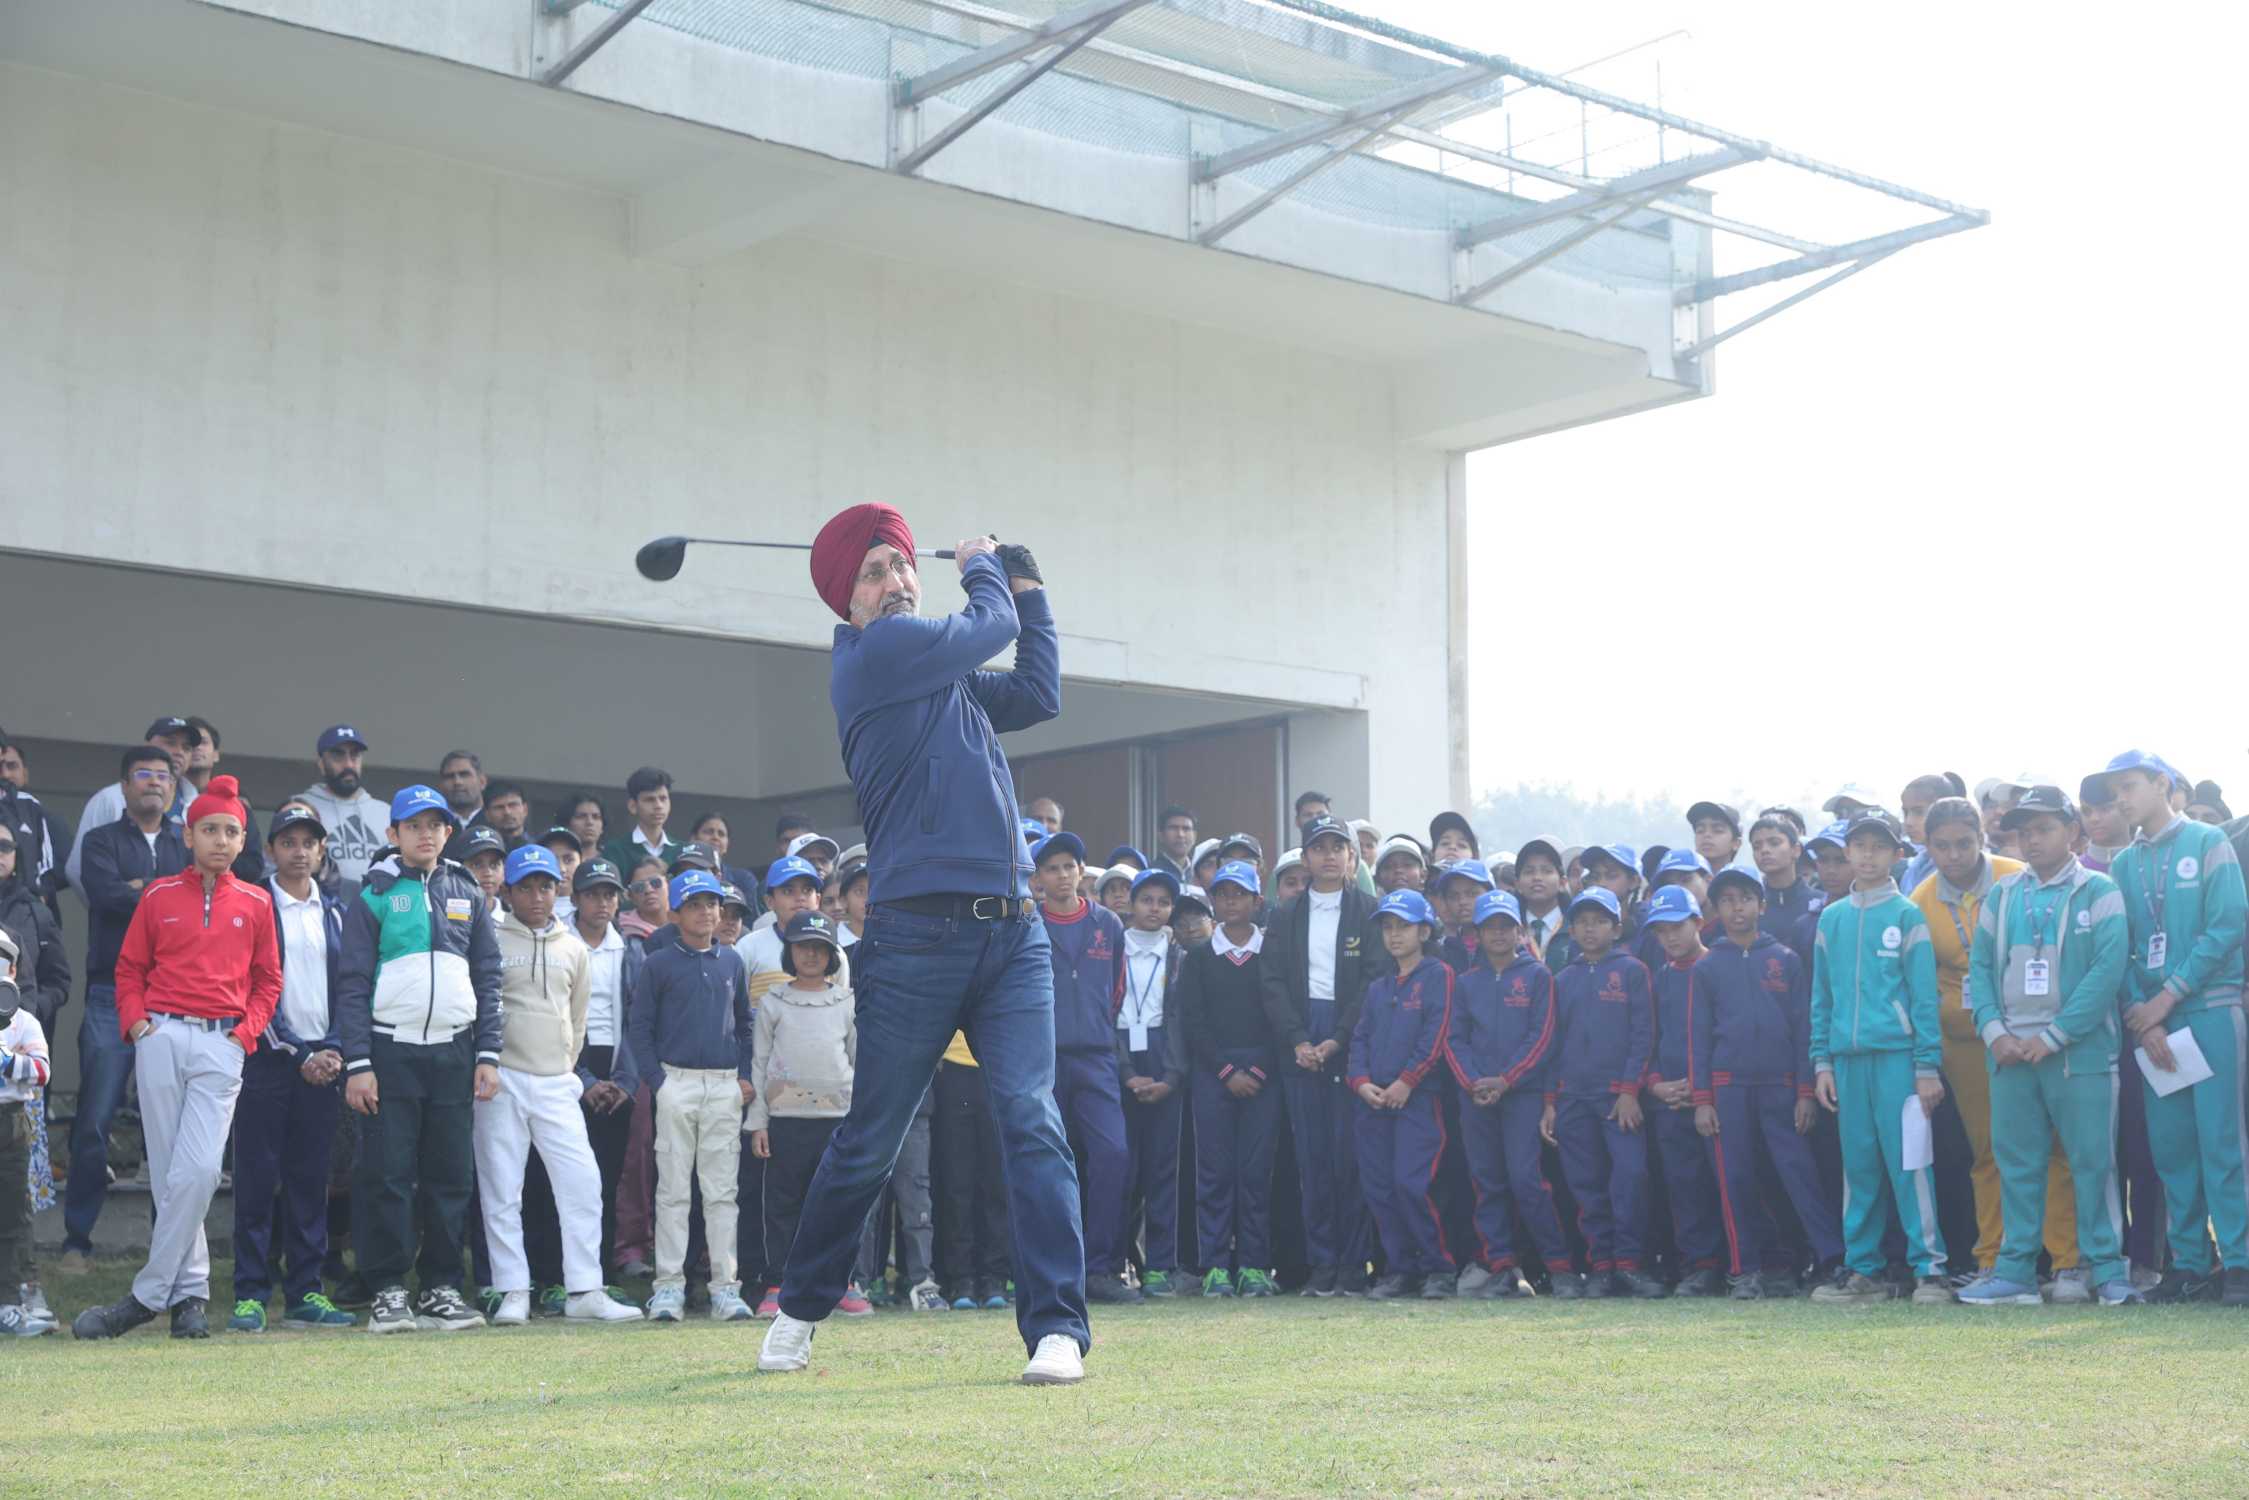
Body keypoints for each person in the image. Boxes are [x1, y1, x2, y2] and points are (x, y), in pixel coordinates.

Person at [762, 508, 1083, 1386]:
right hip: (913, 940)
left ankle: (1057, 1330)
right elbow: (988, 626)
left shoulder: (945, 678)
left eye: (903, 566)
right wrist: (984, 569)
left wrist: (1029, 588)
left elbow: (1038, 691)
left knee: (1031, 1119)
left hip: (1011, 932)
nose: (896, 582)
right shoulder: (876, 656)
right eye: (874, 572)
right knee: (870, 1138)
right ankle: (800, 1308)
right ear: (850, 604)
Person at [74, 777, 280, 1341]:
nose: (220, 840)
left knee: (200, 1170)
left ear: (242, 841)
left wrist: (244, 1035)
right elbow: (129, 968)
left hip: (222, 1042)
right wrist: (139, 1026)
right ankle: (190, 1296)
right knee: (170, 1175)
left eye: (231, 831)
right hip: (161, 1035)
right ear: (188, 835)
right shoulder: (158, 895)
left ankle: (146, 1296)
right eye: (209, 829)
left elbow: (269, 980)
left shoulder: (257, 902)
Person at [1957, 787, 2135, 1307]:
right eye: (2024, 831)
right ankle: (2015, 1272)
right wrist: (1996, 1033)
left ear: (2072, 831)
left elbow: (2107, 971)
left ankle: (2107, 1272)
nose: (2032, 839)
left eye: (2044, 828)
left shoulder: (2099, 890)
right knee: (2016, 1163)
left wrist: (2055, 1035)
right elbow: (1980, 968)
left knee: (2092, 1162)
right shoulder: (2004, 894)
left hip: (2079, 1053)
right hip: (2010, 1053)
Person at [338, 785, 502, 1335]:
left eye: (435, 825)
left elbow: (488, 977)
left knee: (450, 1175)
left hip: (456, 1050)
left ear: (448, 832)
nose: (425, 834)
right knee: (386, 1174)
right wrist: (358, 1062)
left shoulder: (467, 892)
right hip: (390, 1049)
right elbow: (353, 983)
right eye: (413, 825)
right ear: (394, 834)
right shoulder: (374, 894)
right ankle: (387, 1289)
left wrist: (488, 1053)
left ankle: (441, 1288)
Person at [1909, 797, 2080, 1291]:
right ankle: (1994, 1259)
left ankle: (2065, 1260)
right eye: (1942, 846)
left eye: (1964, 843)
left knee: (2051, 1144)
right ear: (1927, 846)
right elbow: (1921, 983)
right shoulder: (1920, 900)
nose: (1954, 855)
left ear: (1981, 838)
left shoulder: (2014, 878)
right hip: (1965, 1043)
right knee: (1989, 1150)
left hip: (2029, 1033)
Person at [2100, 750, 2249, 1304]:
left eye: (2129, 786)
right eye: (2114, 791)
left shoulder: (2208, 843)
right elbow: (2118, 949)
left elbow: (2227, 925)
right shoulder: (2122, 865)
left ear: (2162, 783)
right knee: (2172, 1148)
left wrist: (2167, 997)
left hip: (2210, 1009)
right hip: (2154, 1026)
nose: (2120, 800)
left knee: (2222, 1141)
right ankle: (2188, 1265)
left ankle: (2239, 1262)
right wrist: (2145, 1019)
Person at [476, 846, 641, 1326]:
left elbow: (578, 1017)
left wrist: (564, 1066)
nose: (536, 897)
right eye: (526, 887)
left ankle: (585, 1289)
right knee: (503, 1188)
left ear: (558, 890)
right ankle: (512, 1290)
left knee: (583, 1184)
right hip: (502, 1078)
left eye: (545, 887)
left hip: (556, 1081)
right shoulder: (490, 938)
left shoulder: (573, 947)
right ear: (509, 891)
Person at [1808, 809, 1951, 1306]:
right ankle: (1862, 1269)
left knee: (1911, 1164)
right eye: (1859, 846)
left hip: (1898, 1060)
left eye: (1878, 847)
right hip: (1847, 1064)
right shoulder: (1831, 919)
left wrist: (1927, 1065)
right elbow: (1821, 998)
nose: (1867, 856)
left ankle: (1930, 1269)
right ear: (1847, 852)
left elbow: (1924, 997)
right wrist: (1822, 1062)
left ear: (1896, 854)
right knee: (1860, 1168)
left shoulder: (1907, 915)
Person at [58, 746, 189, 1273]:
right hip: (110, 993)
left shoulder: (187, 842)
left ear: (174, 788)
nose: (155, 782)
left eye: (164, 776)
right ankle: (76, 1242)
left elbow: (196, 904)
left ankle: (168, 1246)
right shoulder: (100, 840)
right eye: (144, 774)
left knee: (170, 1126)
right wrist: (165, 897)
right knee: (95, 1117)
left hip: (174, 997)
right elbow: (107, 897)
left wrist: (140, 890)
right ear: (124, 786)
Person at [226, 806, 355, 1333]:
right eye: (288, 842)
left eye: (309, 842)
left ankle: (305, 1291)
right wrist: (299, 1053)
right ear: (271, 850)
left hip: (324, 1063)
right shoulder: (254, 905)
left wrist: (335, 1049)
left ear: (321, 850)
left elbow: (351, 986)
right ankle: (250, 1293)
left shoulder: (337, 910)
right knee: (256, 1180)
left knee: (309, 1181)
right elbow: (249, 989)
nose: (299, 852)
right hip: (267, 1062)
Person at [1690, 868, 1843, 1298]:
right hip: (1727, 1088)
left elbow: (1802, 1029)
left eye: (1744, 899)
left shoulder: (1785, 958)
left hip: (1781, 1086)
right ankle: (1745, 1270)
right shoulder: (1707, 966)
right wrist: (1702, 1099)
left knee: (1799, 1174)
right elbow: (1698, 1037)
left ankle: (1830, 1260)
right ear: (1716, 910)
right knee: (1734, 1178)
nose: (1736, 908)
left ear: (1760, 905)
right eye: (1726, 900)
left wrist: (1805, 1092)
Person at [1259, 815, 1377, 1297]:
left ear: (1351, 857)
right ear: (1305, 857)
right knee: (1312, 1161)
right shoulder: (1284, 914)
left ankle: (1353, 1265)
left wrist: (1339, 1038)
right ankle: (1322, 1264)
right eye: (1319, 847)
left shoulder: (1369, 910)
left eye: (1337, 847)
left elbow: (1373, 979)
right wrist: (1297, 1040)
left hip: (1350, 1037)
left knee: (1349, 1158)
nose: (1329, 855)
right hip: (1300, 1036)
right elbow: (1271, 982)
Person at [630, 869, 754, 1323]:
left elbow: (745, 1024)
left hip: (723, 1085)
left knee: (722, 1193)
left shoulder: (732, 961)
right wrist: (658, 1081)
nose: (706, 912)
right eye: (695, 905)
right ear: (676, 914)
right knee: (672, 1192)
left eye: (712, 904)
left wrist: (744, 1075)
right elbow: (640, 1028)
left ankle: (726, 1289)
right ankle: (668, 1288)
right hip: (675, 1081)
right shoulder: (658, 963)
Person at [1031, 832, 1135, 1305]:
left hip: (1096, 1057)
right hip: (1044, 1060)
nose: (1061, 876)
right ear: (1038, 877)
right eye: (1051, 868)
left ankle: (1102, 1268)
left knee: (1113, 1154)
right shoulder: (1029, 922)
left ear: (1081, 871)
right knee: (1050, 1161)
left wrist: (1092, 1026)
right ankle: (1052, 1270)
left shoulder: (1107, 923)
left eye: (1069, 866)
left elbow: (1117, 990)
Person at [1539, 886, 1658, 1299]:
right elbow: (1551, 1044)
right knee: (1585, 1184)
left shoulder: (1633, 971)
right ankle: (1601, 1267)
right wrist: (1550, 1102)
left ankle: (1630, 1263)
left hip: (1617, 1098)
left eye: (1600, 921)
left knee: (1630, 1177)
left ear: (1616, 927)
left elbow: (1643, 1034)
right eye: (1583, 922)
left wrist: (1630, 1090)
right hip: (1572, 1097)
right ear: (1571, 929)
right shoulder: (1562, 979)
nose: (1591, 929)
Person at [1445, 891, 1565, 1300]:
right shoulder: (1466, 982)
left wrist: (1506, 1080)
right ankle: (1500, 1265)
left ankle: (1558, 1265)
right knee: (1487, 1181)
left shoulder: (1538, 976)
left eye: (1506, 926)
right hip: (1476, 1097)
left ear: (1520, 930)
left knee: (1526, 1179)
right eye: (1490, 927)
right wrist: (1474, 1082)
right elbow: (1454, 1039)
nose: (1498, 934)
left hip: (1522, 1095)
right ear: (1476, 934)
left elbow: (1543, 1037)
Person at [749, 910, 861, 1319]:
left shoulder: (846, 1002)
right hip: (785, 1120)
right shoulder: (773, 1002)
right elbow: (759, 1063)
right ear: (789, 952)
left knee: (837, 1205)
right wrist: (758, 1122)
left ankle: (841, 1283)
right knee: (783, 1206)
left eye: (819, 948)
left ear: (832, 955)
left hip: (837, 1120)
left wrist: (858, 1121)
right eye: (802, 947)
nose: (810, 955)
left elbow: (858, 1062)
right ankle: (779, 1283)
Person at [1177, 861, 1280, 1299]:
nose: (1231, 901)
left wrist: (1257, 1070)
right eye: (1223, 894)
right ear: (1213, 901)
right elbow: (1194, 1021)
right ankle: (1215, 1265)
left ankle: (1254, 1265)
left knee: (1256, 1172)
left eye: (1240, 894)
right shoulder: (1200, 958)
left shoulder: (1273, 952)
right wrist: (1226, 1072)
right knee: (1214, 1172)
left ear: (1257, 901)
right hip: (1213, 1074)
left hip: (1263, 1074)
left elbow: (1281, 1017)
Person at [1349, 889, 1455, 1300]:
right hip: (1374, 1102)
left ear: (1424, 931)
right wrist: (1360, 1082)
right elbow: (1360, 1038)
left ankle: (1438, 1267)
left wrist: (1408, 1080)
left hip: (1419, 1099)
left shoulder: (1438, 975)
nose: (1394, 935)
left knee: (1412, 1184)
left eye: (1404, 927)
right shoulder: (1378, 986)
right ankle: (1399, 1269)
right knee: (1379, 1188)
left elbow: (1436, 1034)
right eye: (1388, 927)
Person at [1640, 886, 1724, 1296]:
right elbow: (1646, 1039)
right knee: (1683, 1185)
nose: (1670, 937)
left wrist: (1704, 1086)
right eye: (1661, 930)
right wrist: (1655, 1085)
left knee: (1730, 1181)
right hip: (1670, 1101)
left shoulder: (1720, 968)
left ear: (1698, 923)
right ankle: (1699, 1265)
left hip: (1718, 1097)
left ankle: (1745, 1261)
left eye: (1677, 926)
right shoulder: (1658, 978)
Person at [564, 858, 639, 1279]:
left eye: (609, 894)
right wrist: (585, 1080)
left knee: (608, 1178)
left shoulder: (630, 949)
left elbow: (638, 1020)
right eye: (593, 894)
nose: (602, 903)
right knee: (565, 1177)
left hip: (617, 1069)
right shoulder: (559, 943)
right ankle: (558, 1272)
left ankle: (601, 1273)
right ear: (576, 899)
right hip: (569, 1066)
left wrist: (625, 1082)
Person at [1118, 867, 1187, 1300]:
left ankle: (1160, 1266)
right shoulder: (1113, 949)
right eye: (1146, 900)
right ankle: (1119, 1261)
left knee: (1163, 1170)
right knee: (1121, 1169)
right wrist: (1125, 1072)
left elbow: (1185, 1021)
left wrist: (1171, 1076)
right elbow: (1104, 1013)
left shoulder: (1180, 956)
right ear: (1131, 903)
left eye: (1163, 902)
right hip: (1122, 1055)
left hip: (1166, 1059)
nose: (1154, 909)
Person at [63, 716, 198, 891]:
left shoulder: (198, 804)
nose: (179, 751)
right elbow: (79, 872)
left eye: (186, 748)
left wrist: (144, 884)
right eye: (170, 743)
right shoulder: (109, 799)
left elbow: (196, 888)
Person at [0, 932, 56, 1337]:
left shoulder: (24, 1021)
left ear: (14, 969)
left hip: (11, 1124)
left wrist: (7, 1063)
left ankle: (8, 1302)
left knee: (12, 1216)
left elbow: (41, 1071)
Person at [293, 724, 388, 895]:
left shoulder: (385, 813)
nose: (349, 764)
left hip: (377, 907)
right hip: (320, 906)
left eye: (355, 755)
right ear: (321, 764)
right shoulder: (300, 808)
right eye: (338, 755)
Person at [1747, 814, 1821, 947]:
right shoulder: (1749, 908)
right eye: (1757, 846)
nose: (1764, 850)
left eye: (1774, 843)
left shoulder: (1821, 904)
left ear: (1796, 850)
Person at [600, 767, 682, 877]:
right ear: (633, 806)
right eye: (650, 799)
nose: (659, 805)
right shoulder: (614, 851)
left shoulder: (682, 851)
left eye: (663, 798)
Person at [1513, 837, 1570, 967]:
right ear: (1517, 885)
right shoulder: (1510, 927)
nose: (1537, 878)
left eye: (1547, 871)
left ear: (1562, 883)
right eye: (1529, 872)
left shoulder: (1576, 927)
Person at [435, 750, 489, 830]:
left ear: (482, 782)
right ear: (441, 785)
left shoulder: (498, 822)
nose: (457, 782)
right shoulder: (435, 825)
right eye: (450, 776)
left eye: (464, 775)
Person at [1687, 801, 1744, 874]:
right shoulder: (1679, 879)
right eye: (1700, 830)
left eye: (1718, 830)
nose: (1707, 834)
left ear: (1736, 843)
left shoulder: (1746, 880)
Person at [1155, 806, 1197, 884]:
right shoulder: (1152, 873)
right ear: (1161, 835)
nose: (1180, 834)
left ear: (1194, 836)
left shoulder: (1199, 873)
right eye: (1173, 828)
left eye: (1186, 829)